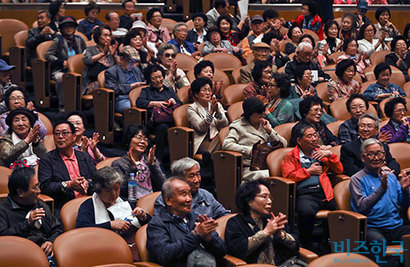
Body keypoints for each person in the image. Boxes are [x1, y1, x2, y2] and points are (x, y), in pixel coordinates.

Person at [282, 122, 342, 249]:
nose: (314, 139)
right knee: (306, 212)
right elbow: (287, 176)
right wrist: (308, 172)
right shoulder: (291, 156)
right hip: (305, 193)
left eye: (315, 135)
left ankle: (333, 242)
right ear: (299, 140)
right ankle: (306, 244)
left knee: (341, 211)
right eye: (309, 136)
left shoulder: (321, 153)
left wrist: (330, 155)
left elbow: (338, 170)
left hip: (325, 192)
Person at [350, 138, 410, 266]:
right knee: (378, 243)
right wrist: (381, 189)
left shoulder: (391, 176)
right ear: (363, 157)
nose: (376, 158)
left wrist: (405, 191)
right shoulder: (357, 179)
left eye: (379, 154)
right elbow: (362, 206)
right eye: (371, 154)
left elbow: (402, 205)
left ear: (384, 155)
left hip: (395, 226)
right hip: (373, 227)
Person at [147, 177, 227, 267]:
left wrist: (209, 239)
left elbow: (222, 251)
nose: (189, 199)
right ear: (168, 200)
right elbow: (164, 255)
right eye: (183, 194)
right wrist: (196, 235)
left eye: (190, 194)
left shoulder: (198, 219)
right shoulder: (157, 224)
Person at [76, 167, 150, 260]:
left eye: (116, 189)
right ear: (98, 191)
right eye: (108, 191)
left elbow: (151, 224)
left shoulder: (123, 202)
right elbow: (81, 230)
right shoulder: (88, 206)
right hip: (103, 250)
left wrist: (143, 216)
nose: (114, 194)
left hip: (132, 246)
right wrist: (110, 225)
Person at [225, 179, 298, 265]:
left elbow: (296, 246)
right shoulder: (235, 223)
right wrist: (265, 233)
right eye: (264, 197)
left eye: (270, 197)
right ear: (249, 201)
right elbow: (238, 250)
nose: (270, 202)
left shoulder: (272, 220)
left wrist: (281, 235)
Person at [0, 167, 63, 258]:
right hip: (20, 257)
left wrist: (51, 242)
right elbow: (3, 240)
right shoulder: (3, 210)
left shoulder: (39, 204)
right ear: (20, 192)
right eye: (34, 187)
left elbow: (57, 229)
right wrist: (27, 224)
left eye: (38, 186)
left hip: (47, 254)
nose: (39, 191)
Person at [38, 121, 96, 216]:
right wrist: (68, 184)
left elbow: (96, 179)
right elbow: (45, 187)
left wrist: (88, 182)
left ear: (73, 136)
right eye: (57, 134)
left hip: (89, 202)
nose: (60, 137)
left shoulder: (84, 156)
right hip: (64, 206)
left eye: (65, 133)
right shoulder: (47, 159)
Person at [223, 97, 287, 181]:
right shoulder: (238, 126)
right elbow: (226, 144)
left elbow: (284, 145)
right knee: (270, 174)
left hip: (267, 164)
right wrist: (251, 151)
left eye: (262, 111)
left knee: (283, 171)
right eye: (258, 112)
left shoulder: (264, 124)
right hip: (249, 167)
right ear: (249, 114)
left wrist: (270, 131)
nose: (262, 114)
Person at [154, 157, 230, 219]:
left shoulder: (205, 194)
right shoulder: (164, 200)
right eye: (191, 176)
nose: (197, 180)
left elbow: (223, 214)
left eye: (198, 174)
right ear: (179, 179)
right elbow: (160, 227)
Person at [136, 64, 182, 163]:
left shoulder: (168, 90)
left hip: (170, 119)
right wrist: (155, 103)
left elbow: (180, 103)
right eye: (154, 78)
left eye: (160, 77)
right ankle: (158, 158)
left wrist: (173, 101)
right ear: (149, 79)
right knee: (163, 127)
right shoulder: (146, 91)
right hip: (154, 122)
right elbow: (139, 102)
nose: (158, 80)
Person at [112, 124, 166, 201]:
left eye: (146, 139)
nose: (143, 142)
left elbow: (163, 185)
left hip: (152, 200)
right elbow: (121, 190)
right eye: (139, 138)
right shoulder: (119, 163)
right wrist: (132, 169)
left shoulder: (149, 159)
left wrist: (152, 165)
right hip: (133, 203)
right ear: (129, 139)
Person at [45, 16, 86, 112]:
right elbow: (48, 55)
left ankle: (79, 103)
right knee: (61, 78)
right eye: (66, 27)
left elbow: (85, 52)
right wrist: (61, 62)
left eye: (71, 26)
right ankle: (63, 105)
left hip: (78, 69)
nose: (68, 29)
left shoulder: (79, 40)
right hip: (61, 70)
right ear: (62, 29)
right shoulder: (58, 40)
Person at [188, 78, 229, 155]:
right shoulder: (192, 108)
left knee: (224, 134)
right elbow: (201, 128)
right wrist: (210, 112)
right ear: (196, 94)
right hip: (203, 140)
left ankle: (208, 156)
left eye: (209, 90)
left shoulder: (216, 104)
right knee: (223, 142)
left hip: (217, 137)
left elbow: (225, 125)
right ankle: (209, 155)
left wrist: (218, 113)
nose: (208, 93)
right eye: (204, 90)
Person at [104, 45, 145, 113]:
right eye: (130, 61)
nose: (133, 64)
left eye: (134, 61)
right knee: (132, 110)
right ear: (122, 59)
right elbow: (113, 89)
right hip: (122, 99)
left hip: (138, 98)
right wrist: (130, 86)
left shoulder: (136, 70)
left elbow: (143, 83)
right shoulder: (111, 72)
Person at [82, 25, 117, 94]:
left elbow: (120, 67)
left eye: (109, 36)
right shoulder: (90, 49)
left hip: (110, 81)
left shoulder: (112, 50)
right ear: (98, 37)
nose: (108, 38)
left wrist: (114, 56)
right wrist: (103, 54)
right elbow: (87, 60)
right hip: (93, 82)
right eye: (105, 35)